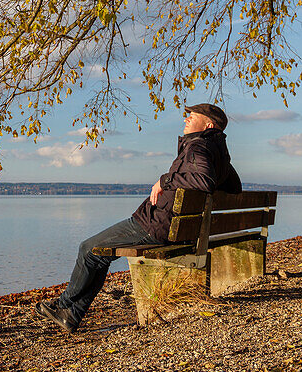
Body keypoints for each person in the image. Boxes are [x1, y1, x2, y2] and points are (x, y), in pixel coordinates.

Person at [35, 102, 241, 334]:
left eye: (192, 116)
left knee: (88, 248)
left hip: (156, 224)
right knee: (99, 256)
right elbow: (234, 186)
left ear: (209, 124)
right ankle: (71, 314)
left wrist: (165, 181)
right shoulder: (218, 151)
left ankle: (64, 306)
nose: (186, 119)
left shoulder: (197, 147)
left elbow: (206, 182)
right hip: (171, 224)